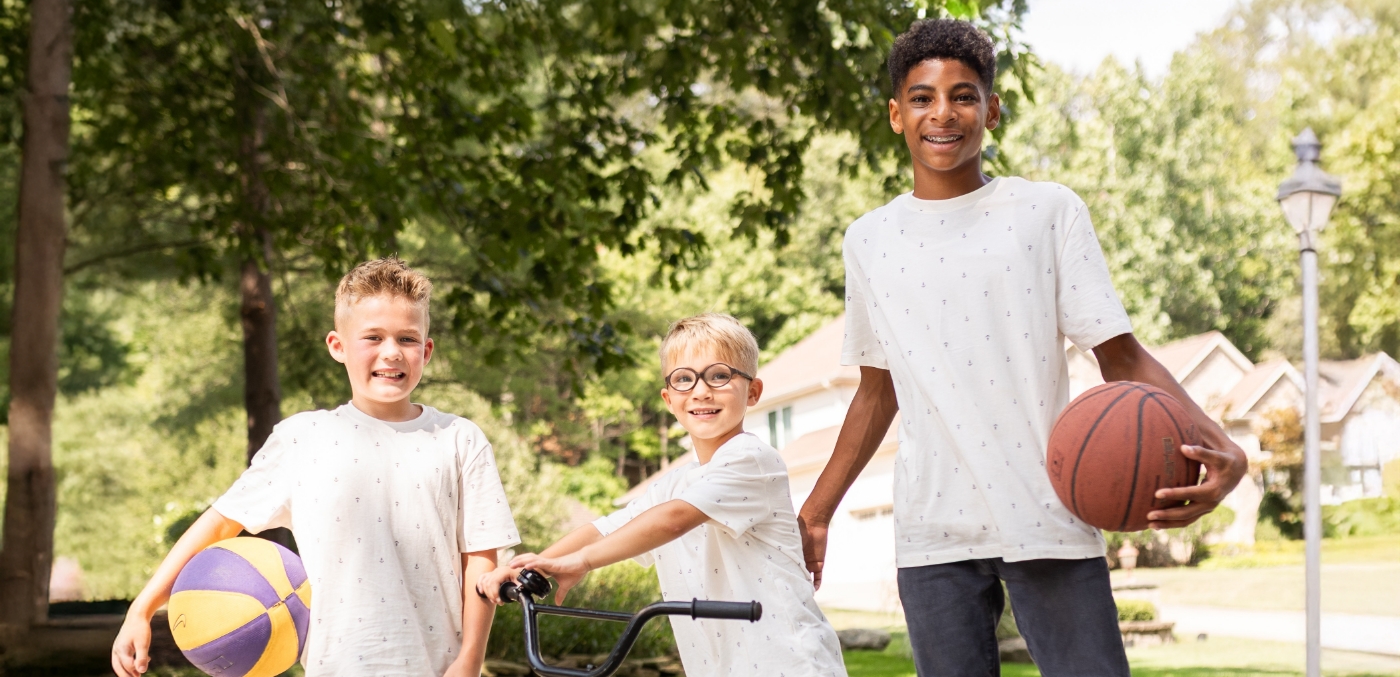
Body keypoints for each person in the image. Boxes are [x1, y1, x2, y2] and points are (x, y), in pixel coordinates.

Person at [794, 19, 1248, 677]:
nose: (942, 112)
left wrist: (1221, 444)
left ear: (993, 110)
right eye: (922, 98)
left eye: (964, 95)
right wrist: (817, 511)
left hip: (1050, 511)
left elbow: (1120, 357)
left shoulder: (1047, 211)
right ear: (896, 115)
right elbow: (877, 389)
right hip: (932, 530)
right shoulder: (868, 239)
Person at [112, 257, 519, 677]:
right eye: (373, 337)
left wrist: (470, 660)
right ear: (337, 346)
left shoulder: (459, 439)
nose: (392, 352)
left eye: (407, 339)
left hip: (440, 669)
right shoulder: (302, 438)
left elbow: (480, 560)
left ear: (427, 351)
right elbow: (218, 525)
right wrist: (142, 609)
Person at [478, 313, 847, 677]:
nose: (701, 390)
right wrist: (532, 566)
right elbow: (603, 529)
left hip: (789, 663)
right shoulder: (674, 485)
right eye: (684, 379)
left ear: (753, 392)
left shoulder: (750, 459)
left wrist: (582, 562)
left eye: (720, 375)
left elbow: (673, 521)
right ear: (669, 399)